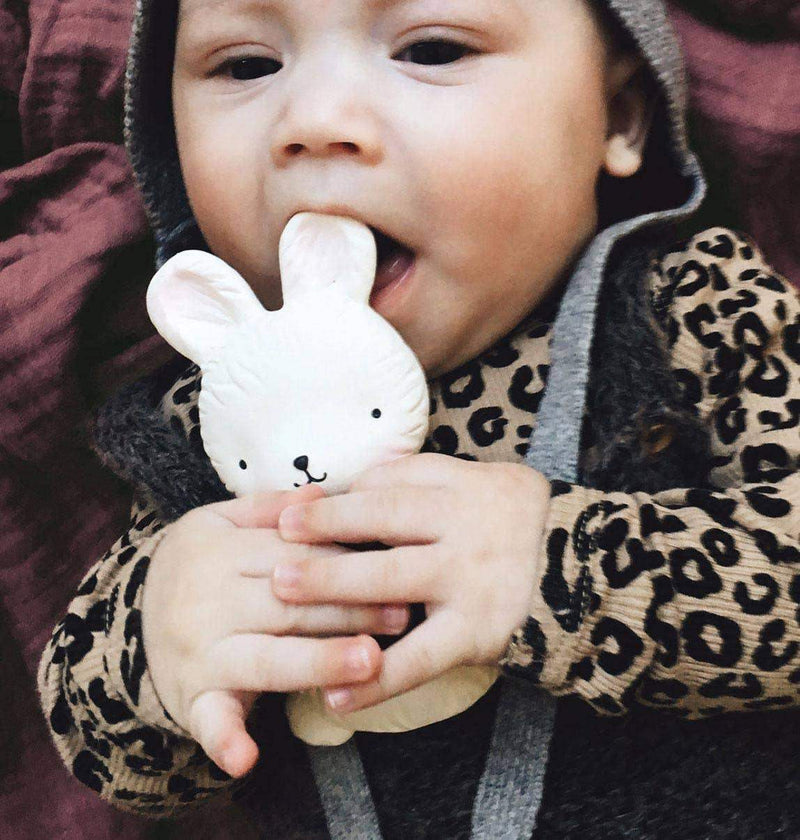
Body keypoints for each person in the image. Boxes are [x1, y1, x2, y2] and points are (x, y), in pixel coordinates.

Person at [37, 0, 800, 837]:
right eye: (246, 66)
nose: (315, 121)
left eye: (431, 48)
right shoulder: (222, 407)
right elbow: (100, 741)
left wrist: (559, 566)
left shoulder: (690, 309)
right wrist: (163, 637)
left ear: (619, 117)